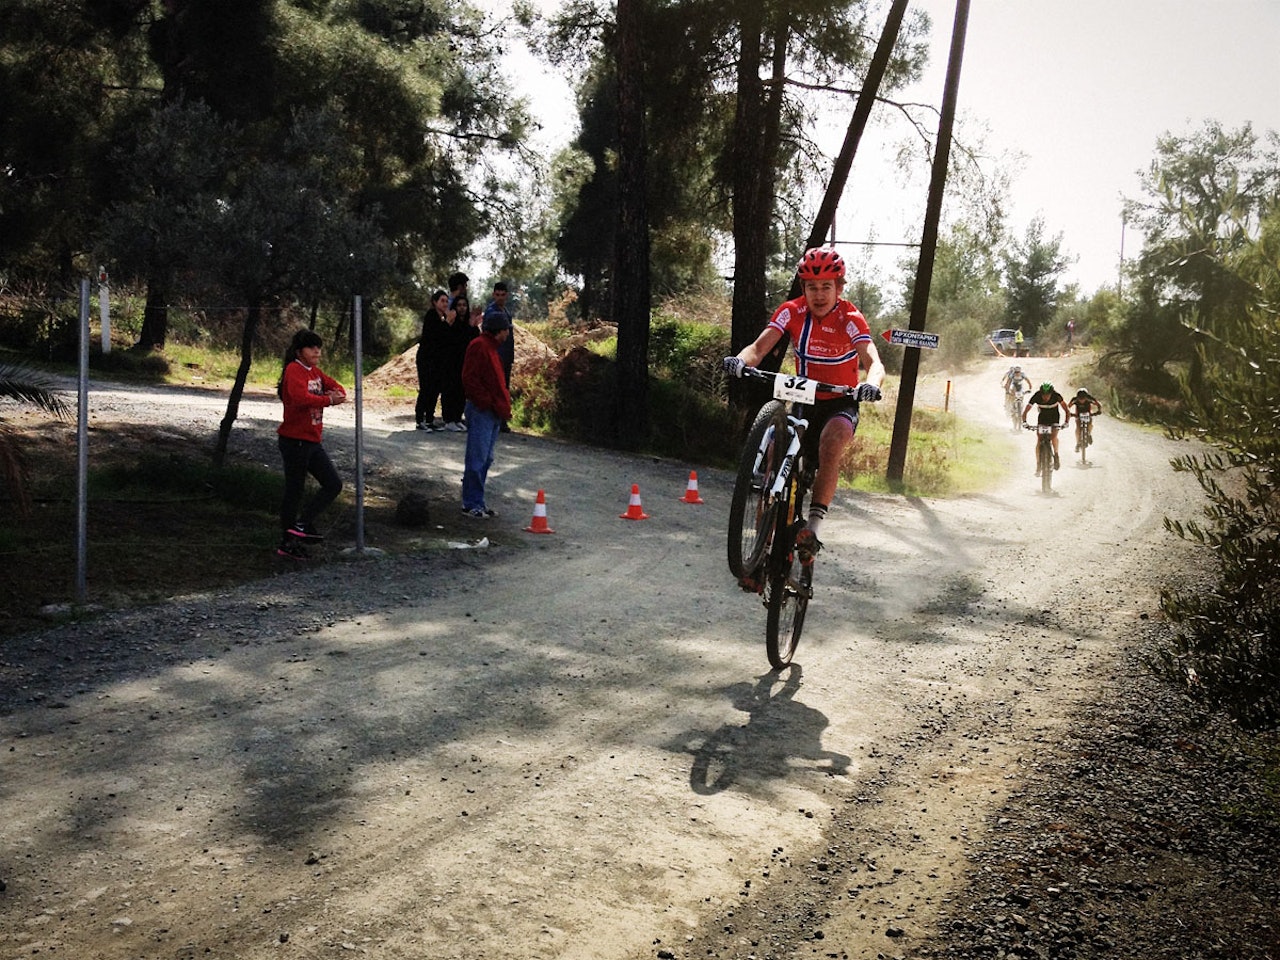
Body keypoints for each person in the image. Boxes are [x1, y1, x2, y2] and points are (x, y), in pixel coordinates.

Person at [722, 247, 885, 563]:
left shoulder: (850, 318)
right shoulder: (791, 311)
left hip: (840, 401)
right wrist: (739, 362)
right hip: (802, 398)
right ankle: (759, 549)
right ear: (803, 288)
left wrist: (871, 384)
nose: (819, 294)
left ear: (839, 288)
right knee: (774, 454)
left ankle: (814, 527)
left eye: (827, 286)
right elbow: (758, 347)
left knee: (831, 441)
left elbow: (873, 360)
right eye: (812, 287)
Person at [275, 329, 346, 559]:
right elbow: (299, 398)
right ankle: (287, 542)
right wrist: (328, 400)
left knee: (333, 483)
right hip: (294, 440)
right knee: (294, 491)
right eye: (311, 347)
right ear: (299, 351)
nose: (317, 351)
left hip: (312, 441)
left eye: (319, 347)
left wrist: (334, 396)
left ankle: (303, 524)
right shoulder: (294, 369)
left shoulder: (314, 372)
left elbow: (339, 389)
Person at [460, 310, 513, 518]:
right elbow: (470, 379)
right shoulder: (480, 346)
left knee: (486, 458)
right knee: (477, 458)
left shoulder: (491, 348)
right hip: (483, 410)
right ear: (498, 330)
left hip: (491, 411)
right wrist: (486, 402)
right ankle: (470, 503)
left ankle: (478, 502)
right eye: (506, 330)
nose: (508, 334)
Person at [415, 290, 453, 431]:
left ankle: (430, 419)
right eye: (442, 301)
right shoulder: (431, 316)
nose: (445, 304)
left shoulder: (442, 317)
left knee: (435, 388)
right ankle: (420, 419)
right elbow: (435, 336)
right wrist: (447, 323)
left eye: (446, 301)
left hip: (437, 360)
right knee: (426, 388)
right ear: (435, 302)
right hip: (426, 358)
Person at [441, 292, 477, 431]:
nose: (462, 308)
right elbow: (445, 339)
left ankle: (457, 418)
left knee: (461, 391)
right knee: (450, 390)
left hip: (464, 362)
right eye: (459, 305)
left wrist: (473, 326)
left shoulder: (468, 324)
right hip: (450, 362)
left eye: (464, 305)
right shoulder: (451, 323)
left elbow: (473, 340)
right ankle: (448, 419)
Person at [483, 281, 515, 431]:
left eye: (503, 295)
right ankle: (496, 419)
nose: (500, 297)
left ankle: (501, 418)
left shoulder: (506, 312)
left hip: (506, 355)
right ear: (493, 294)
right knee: (496, 387)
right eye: (497, 295)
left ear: (506, 295)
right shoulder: (492, 312)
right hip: (496, 354)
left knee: (504, 387)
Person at [1021, 380, 1070, 474]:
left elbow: (1067, 410)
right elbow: (1026, 411)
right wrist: (1024, 422)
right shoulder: (1036, 396)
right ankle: (1038, 464)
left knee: (1054, 435)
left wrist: (1066, 422)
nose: (1045, 397)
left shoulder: (1057, 396)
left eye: (1048, 394)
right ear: (1040, 393)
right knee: (1039, 440)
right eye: (1043, 394)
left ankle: (1056, 455)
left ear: (1052, 393)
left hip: (1054, 418)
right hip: (1042, 418)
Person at [1067, 387, 1102, 451]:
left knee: (1090, 423)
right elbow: (1068, 407)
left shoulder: (1090, 398)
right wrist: (1069, 413)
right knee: (1078, 427)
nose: (1081, 400)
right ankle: (1077, 443)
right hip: (1078, 414)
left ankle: (1089, 433)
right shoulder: (1074, 400)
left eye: (1083, 399)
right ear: (1077, 397)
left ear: (1086, 397)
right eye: (1080, 399)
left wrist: (1099, 411)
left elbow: (1098, 404)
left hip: (1087, 414)